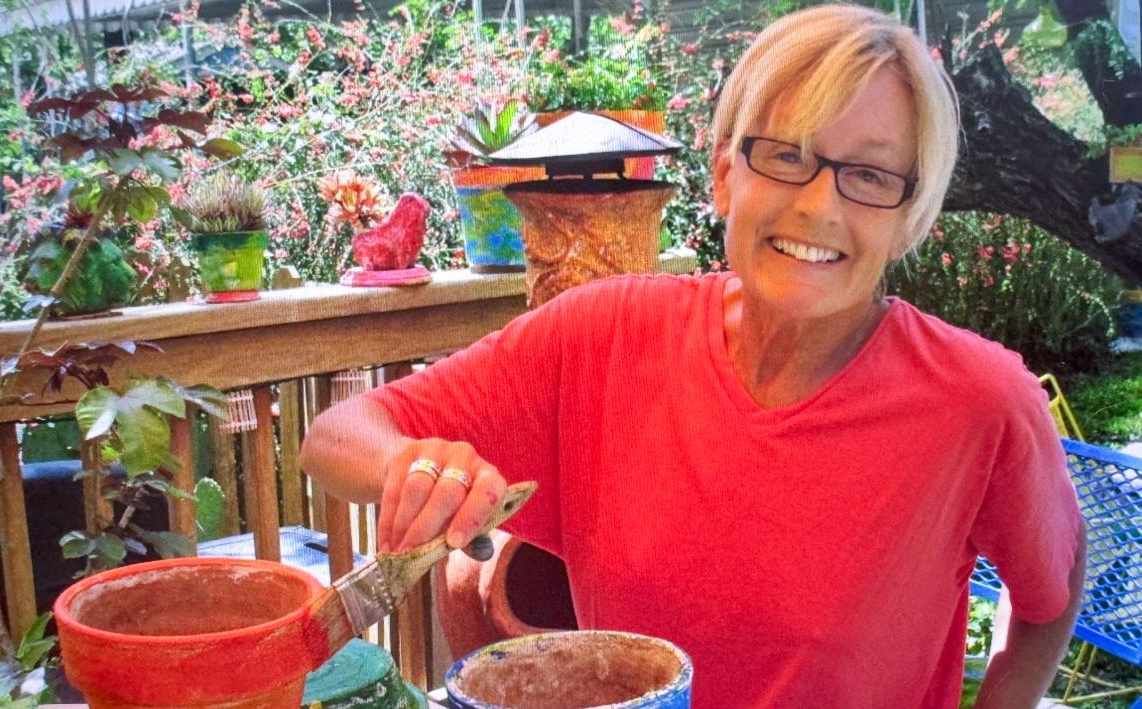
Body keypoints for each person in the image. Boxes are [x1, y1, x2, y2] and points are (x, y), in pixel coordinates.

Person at [301, 4, 1086, 706]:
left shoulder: (979, 401)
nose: (819, 203)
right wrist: (419, 467)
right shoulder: (603, 336)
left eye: (870, 176)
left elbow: (1051, 596)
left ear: (909, 216)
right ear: (723, 177)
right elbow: (337, 435)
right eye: (786, 155)